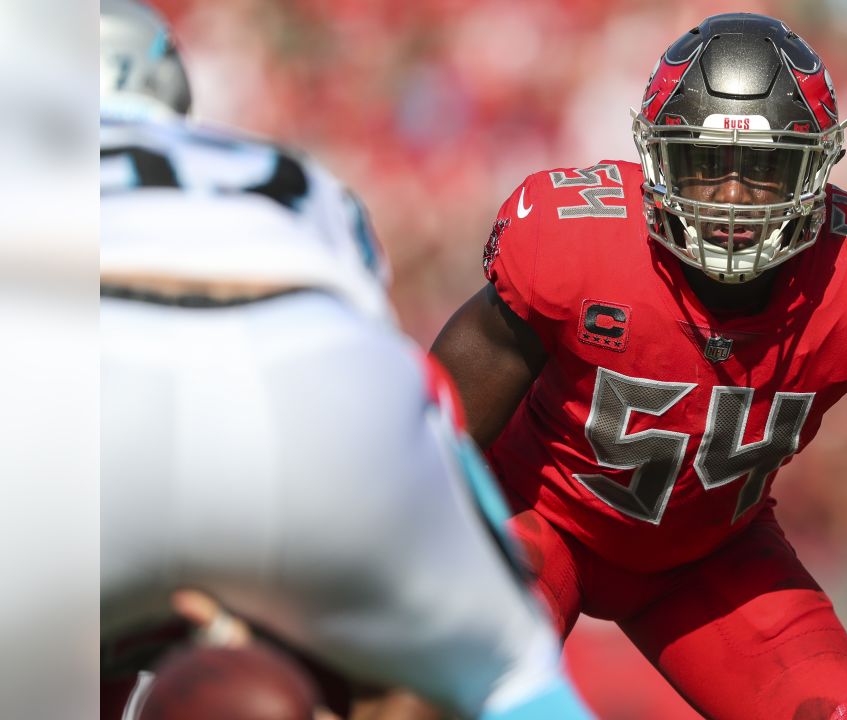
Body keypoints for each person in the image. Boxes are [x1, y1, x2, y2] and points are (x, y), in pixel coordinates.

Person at [431, 13, 847, 720]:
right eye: (706, 164)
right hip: (537, 518)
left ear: (818, 168)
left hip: (714, 556)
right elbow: (430, 439)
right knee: (434, 694)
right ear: (656, 159)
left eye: (765, 167)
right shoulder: (573, 248)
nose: (734, 200)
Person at [99, 2, 594, 718]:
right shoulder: (289, 172)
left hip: (88, 411)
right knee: (511, 678)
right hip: (315, 400)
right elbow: (406, 380)